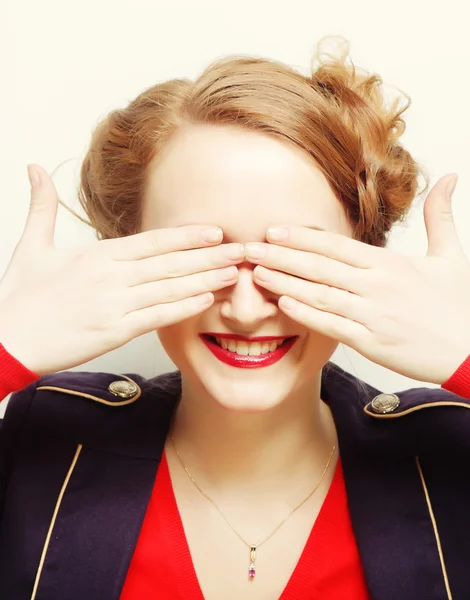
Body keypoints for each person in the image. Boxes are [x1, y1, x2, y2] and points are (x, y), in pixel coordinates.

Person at [0, 36, 469, 600]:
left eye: (295, 260)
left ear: (367, 259)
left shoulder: (450, 449)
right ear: (123, 253)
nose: (247, 311)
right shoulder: (42, 435)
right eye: (203, 256)